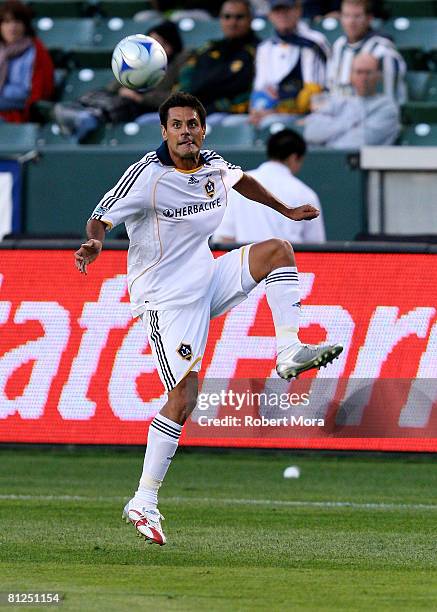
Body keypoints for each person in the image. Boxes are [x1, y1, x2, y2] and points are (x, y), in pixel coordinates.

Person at [74, 92, 343, 546]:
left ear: (203, 128)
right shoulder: (147, 176)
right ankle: (143, 499)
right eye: (176, 125)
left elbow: (241, 181)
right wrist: (97, 243)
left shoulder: (213, 163)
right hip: (165, 300)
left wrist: (288, 211)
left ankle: (289, 349)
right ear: (164, 132)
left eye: (192, 124)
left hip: (207, 278)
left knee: (278, 250)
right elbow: (101, 216)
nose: (185, 132)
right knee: (185, 398)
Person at [54, 21, 188, 142]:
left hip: (145, 106)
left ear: (170, 46)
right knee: (102, 93)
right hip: (125, 96)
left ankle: (87, 120)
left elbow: (176, 97)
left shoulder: (178, 66)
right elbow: (113, 87)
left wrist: (140, 98)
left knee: (122, 104)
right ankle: (79, 111)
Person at [214, 128, 326, 243]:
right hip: (288, 259)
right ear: (294, 158)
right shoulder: (305, 194)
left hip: (246, 259)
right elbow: (316, 248)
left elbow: (223, 238)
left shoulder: (236, 186)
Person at [249, 0, 330, 128]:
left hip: (310, 113)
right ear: (270, 15)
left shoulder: (314, 41)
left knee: (269, 123)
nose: (282, 15)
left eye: (287, 9)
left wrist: (276, 110)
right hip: (272, 111)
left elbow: (314, 92)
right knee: (232, 124)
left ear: (298, 10)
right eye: (277, 10)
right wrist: (258, 110)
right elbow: (260, 89)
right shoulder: (265, 48)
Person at [176, 0, 259, 119]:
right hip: (195, 111)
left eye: (239, 17)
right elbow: (186, 80)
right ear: (220, 19)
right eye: (227, 17)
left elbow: (253, 91)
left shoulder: (259, 51)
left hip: (229, 113)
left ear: (250, 19)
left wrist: (220, 106)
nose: (232, 22)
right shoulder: (207, 49)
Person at [304, 53, 400, 148]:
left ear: (378, 76)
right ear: (351, 75)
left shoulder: (387, 108)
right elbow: (310, 132)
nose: (363, 78)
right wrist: (350, 123)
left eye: (368, 72)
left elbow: (355, 144)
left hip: (363, 162)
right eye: (359, 72)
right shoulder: (339, 100)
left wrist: (327, 138)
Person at [327, 0, 406, 103]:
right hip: (339, 114)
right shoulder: (338, 45)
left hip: (372, 115)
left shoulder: (383, 51)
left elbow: (389, 100)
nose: (351, 22)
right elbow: (331, 87)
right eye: (346, 16)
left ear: (369, 19)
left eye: (357, 16)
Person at [0, 0, 53, 123]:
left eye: (17, 22)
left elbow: (33, 93)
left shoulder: (35, 50)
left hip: (20, 110)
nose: (12, 27)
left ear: (25, 25)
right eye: (6, 22)